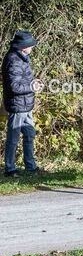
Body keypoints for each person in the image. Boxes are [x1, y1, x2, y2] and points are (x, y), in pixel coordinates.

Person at [3, 30, 42, 177]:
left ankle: (30, 167)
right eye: (30, 45)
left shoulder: (23, 58)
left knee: (29, 135)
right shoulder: (13, 60)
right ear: (22, 46)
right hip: (17, 105)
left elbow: (23, 81)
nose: (32, 47)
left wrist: (34, 83)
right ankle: (10, 168)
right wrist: (31, 87)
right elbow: (14, 86)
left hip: (26, 104)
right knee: (13, 138)